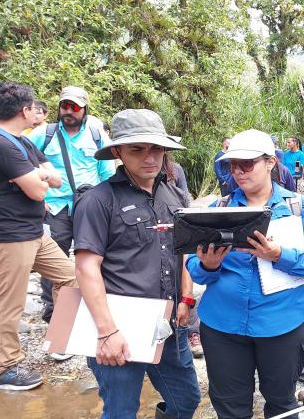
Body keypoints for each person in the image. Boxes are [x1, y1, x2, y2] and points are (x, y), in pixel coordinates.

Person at [187, 129, 304, 418]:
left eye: (247, 164)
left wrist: (280, 255)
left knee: (281, 404)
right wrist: (208, 265)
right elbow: (195, 269)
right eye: (232, 165)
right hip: (223, 326)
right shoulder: (218, 208)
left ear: (270, 162)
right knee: (230, 408)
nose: (238, 172)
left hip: (284, 324)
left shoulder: (297, 207)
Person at [72, 109, 200, 418]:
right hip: (120, 325)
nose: (149, 157)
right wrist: (106, 332)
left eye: (156, 148)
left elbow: (183, 252)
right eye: (137, 149)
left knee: (186, 400)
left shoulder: (176, 196)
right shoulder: (98, 201)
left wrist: (185, 298)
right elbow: (87, 268)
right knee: (121, 409)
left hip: (169, 324)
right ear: (117, 151)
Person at [0, 82, 76, 390]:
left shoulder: (21, 142)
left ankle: (59, 340)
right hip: (6, 235)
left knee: (70, 277)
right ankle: (6, 369)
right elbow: (39, 191)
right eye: (34, 107)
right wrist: (39, 177)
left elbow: (57, 181)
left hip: (34, 232)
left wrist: (37, 175)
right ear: (25, 110)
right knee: (10, 302)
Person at [26, 86, 115, 326]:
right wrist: (37, 196)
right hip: (55, 207)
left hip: (91, 204)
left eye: (74, 107)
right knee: (56, 258)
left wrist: (110, 204)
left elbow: (108, 172)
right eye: (65, 106)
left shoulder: (96, 135)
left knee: (97, 253)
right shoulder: (45, 133)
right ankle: (54, 313)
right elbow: (20, 156)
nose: (69, 111)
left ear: (85, 109)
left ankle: (97, 303)